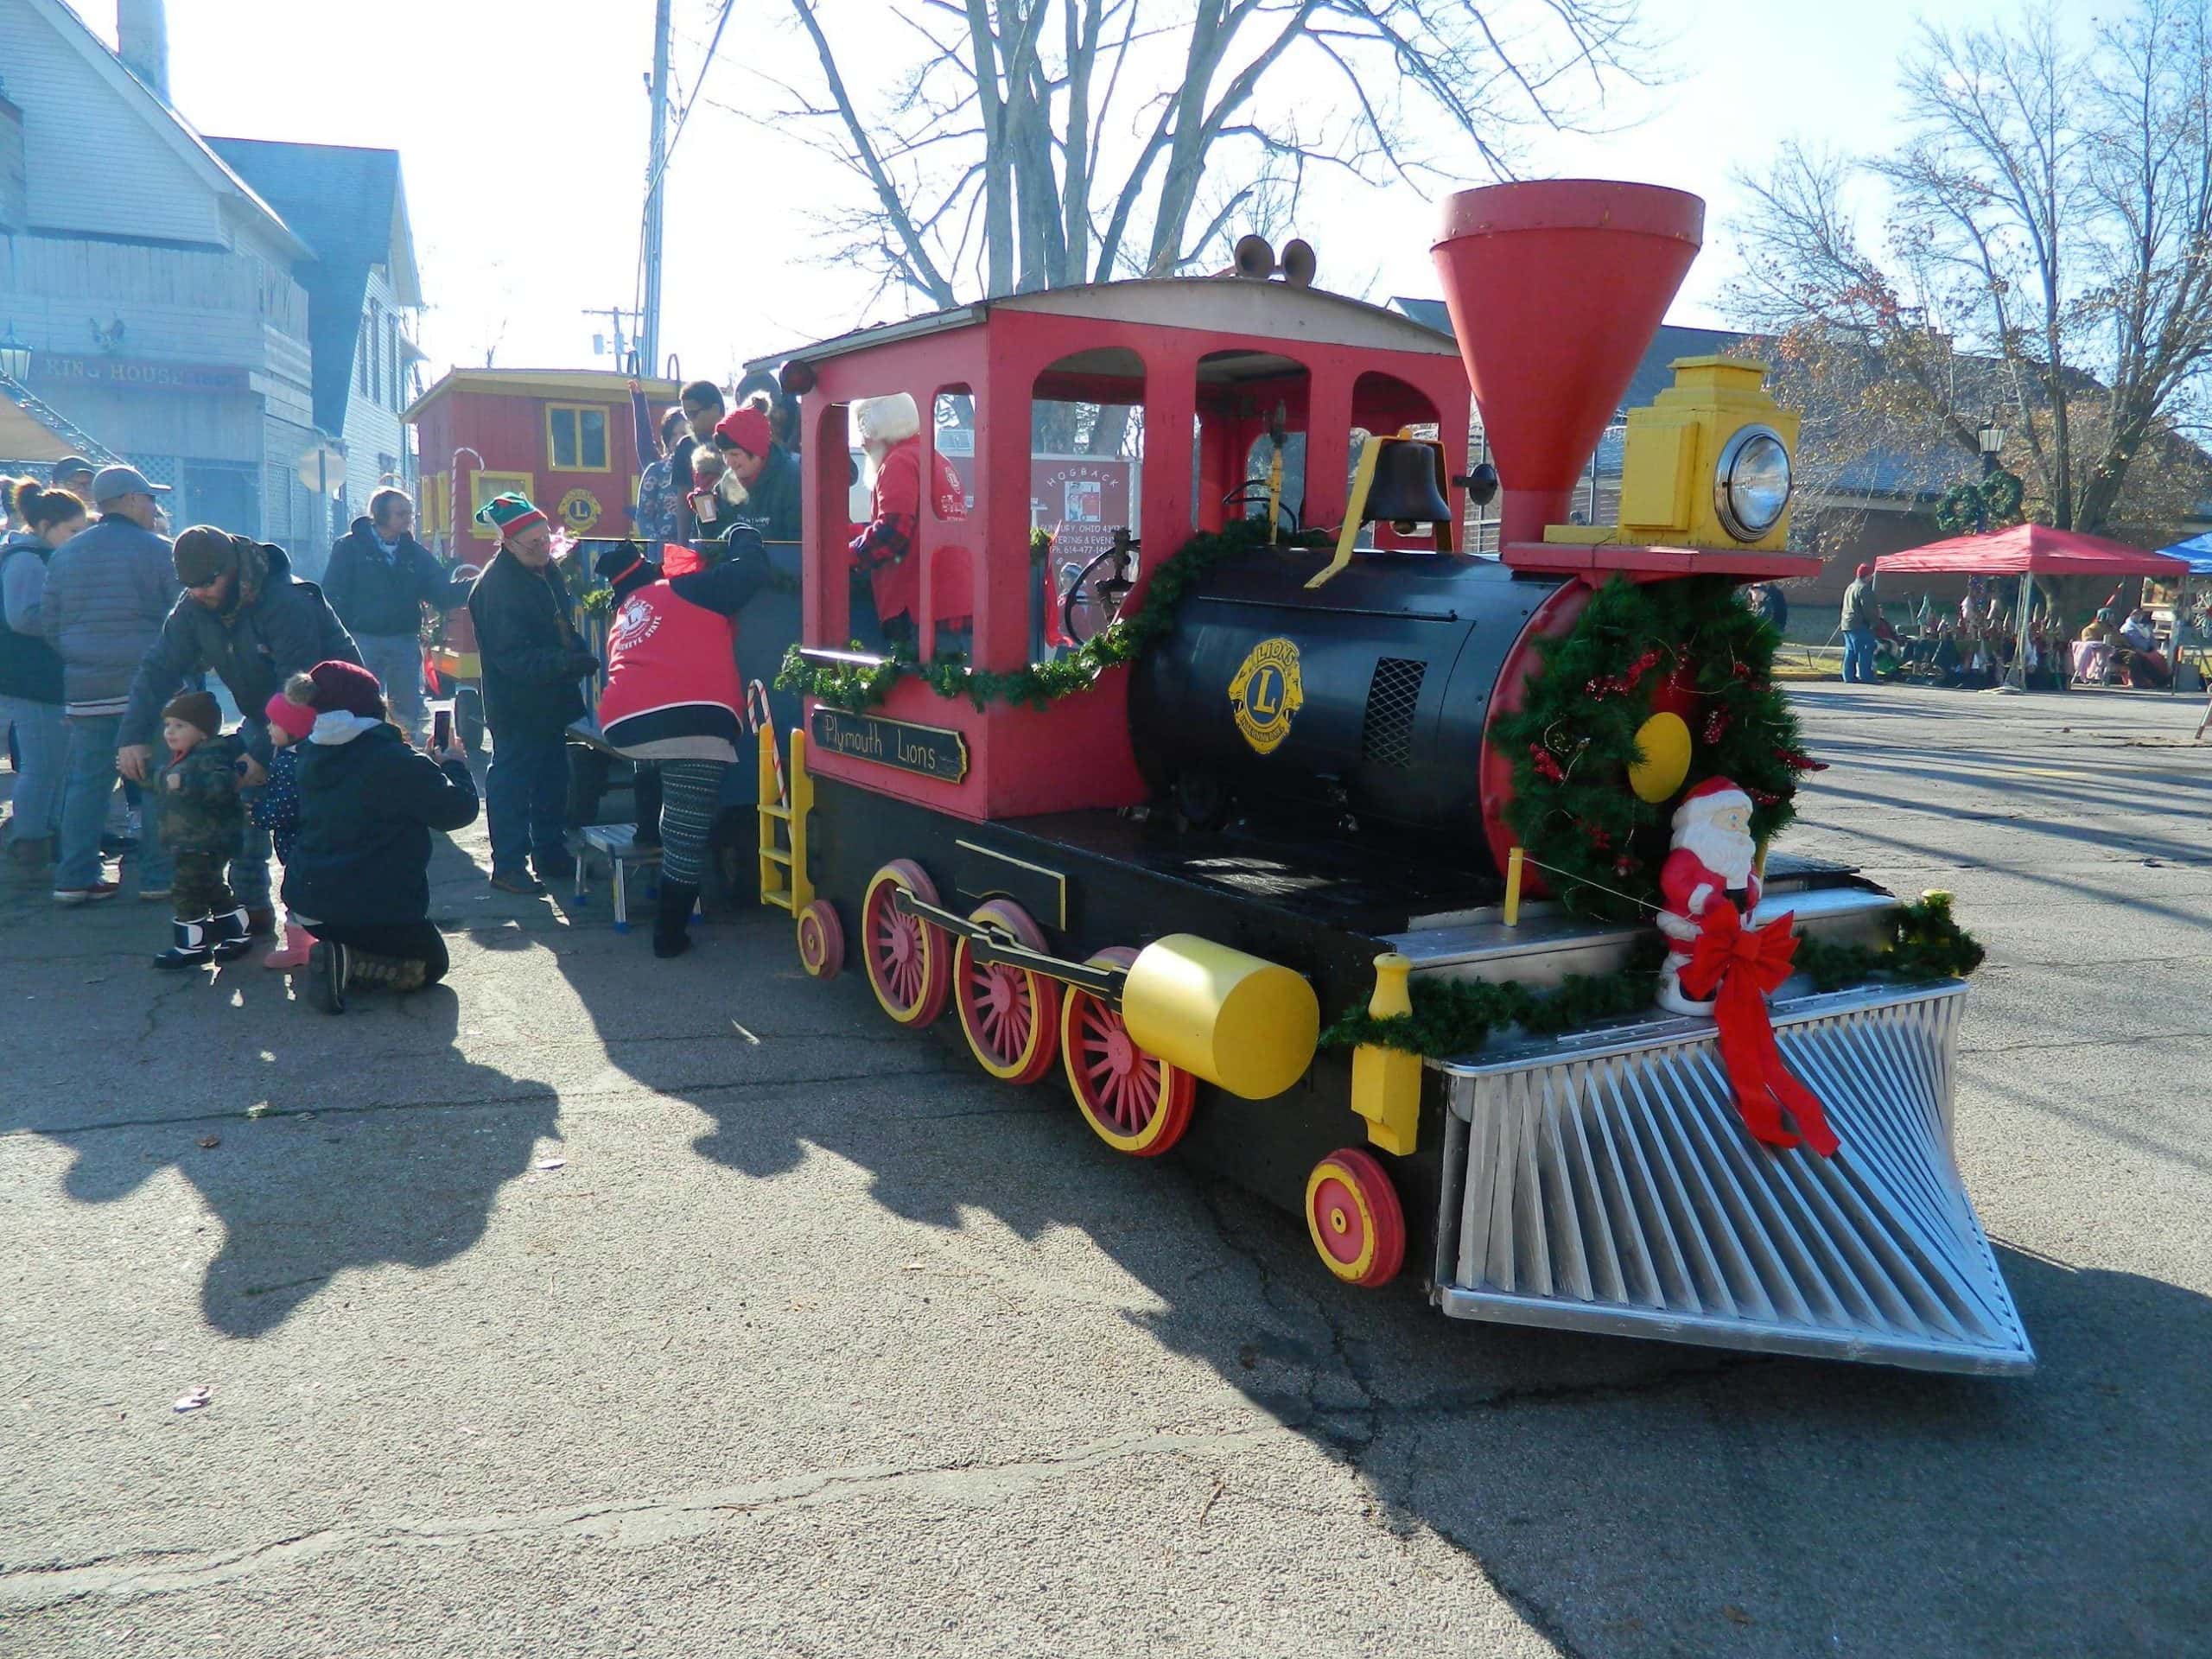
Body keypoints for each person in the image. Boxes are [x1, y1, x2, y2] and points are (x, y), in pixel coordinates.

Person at [115, 526, 359, 935]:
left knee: (316, 818)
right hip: (267, 715)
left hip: (335, 714)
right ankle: (251, 908)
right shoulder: (193, 607)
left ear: (232, 570)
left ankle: (329, 916)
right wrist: (132, 737)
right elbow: (158, 669)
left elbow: (297, 687)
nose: (199, 593)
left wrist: (262, 754)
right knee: (244, 800)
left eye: (208, 582)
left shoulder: (286, 602)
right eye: (190, 585)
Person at [592, 533, 768, 957]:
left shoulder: (626, 610)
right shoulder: (687, 588)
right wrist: (742, 535)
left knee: (652, 758)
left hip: (623, 724)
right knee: (686, 833)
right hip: (695, 718)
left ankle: (647, 828)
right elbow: (752, 571)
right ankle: (668, 937)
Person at [281, 660, 480, 1014]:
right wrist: (453, 765)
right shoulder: (393, 759)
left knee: (353, 927)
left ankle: (338, 954)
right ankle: (349, 963)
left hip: (310, 903)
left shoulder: (310, 752)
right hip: (375, 907)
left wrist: (424, 765)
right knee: (431, 963)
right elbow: (457, 811)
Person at [38, 464, 178, 906]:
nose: (153, 508)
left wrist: (81, 656)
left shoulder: (66, 554)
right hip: (150, 685)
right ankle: (158, 877)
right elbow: (180, 620)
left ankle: (74, 878)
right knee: (158, 780)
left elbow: (50, 623)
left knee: (87, 783)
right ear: (132, 500)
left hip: (86, 687)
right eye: (150, 499)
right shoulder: (160, 551)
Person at [467, 491, 595, 894]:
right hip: (516, 703)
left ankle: (549, 851)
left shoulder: (543, 569)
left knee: (552, 778)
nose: (543, 547)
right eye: (533, 542)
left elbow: (559, 622)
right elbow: (512, 656)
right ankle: (508, 864)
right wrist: (565, 663)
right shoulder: (498, 586)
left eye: (546, 538)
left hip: (548, 698)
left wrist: (575, 649)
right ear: (507, 543)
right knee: (512, 781)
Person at [321, 488, 470, 739]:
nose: (408, 519)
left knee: (406, 710)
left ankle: (405, 751)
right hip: (361, 639)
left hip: (403, 640)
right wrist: (338, 636)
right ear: (380, 515)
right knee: (358, 703)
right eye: (401, 514)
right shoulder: (349, 547)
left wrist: (481, 584)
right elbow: (332, 594)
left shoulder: (414, 553)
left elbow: (442, 593)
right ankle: (360, 749)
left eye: (410, 513)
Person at [0, 481, 86, 867]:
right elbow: (23, 617)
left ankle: (43, 835)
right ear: (47, 525)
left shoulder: (36, 556)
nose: (77, 538)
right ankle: (32, 839)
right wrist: (74, 622)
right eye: (73, 530)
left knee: (53, 764)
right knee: (42, 766)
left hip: (40, 678)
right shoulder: (27, 560)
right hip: (32, 680)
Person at [849, 392, 971, 651]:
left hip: (918, 607)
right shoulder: (938, 460)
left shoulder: (899, 462)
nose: (861, 442)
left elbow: (893, 532)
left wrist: (849, 554)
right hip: (953, 603)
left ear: (880, 426)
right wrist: (859, 532)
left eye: (863, 429)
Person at [149, 690, 254, 970]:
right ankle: (237, 933)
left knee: (185, 891)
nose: (170, 732)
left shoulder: (210, 757)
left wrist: (186, 783)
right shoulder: (184, 758)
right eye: (168, 725)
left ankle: (192, 946)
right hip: (190, 840)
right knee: (212, 888)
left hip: (205, 841)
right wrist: (150, 777)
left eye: (180, 725)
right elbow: (169, 786)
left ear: (203, 732)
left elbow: (222, 787)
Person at [251, 679, 317, 970]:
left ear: (294, 729)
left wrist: (258, 814)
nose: (269, 728)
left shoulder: (290, 763)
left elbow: (285, 808)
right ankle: (316, 942)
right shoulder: (305, 756)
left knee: (296, 895)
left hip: (297, 843)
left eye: (274, 723)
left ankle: (299, 949)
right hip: (309, 841)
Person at [712, 404, 802, 543]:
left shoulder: (792, 481)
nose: (728, 462)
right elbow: (714, 544)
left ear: (757, 451)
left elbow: (797, 544)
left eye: (735, 454)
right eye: (724, 454)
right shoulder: (728, 482)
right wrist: (706, 516)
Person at [627, 382, 690, 544]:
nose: (679, 439)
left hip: (695, 549)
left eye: (684, 433)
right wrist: (657, 545)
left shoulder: (702, 471)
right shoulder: (656, 472)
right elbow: (643, 515)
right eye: (673, 434)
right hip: (663, 550)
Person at [1839, 563, 1878, 685]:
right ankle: (1866, 676)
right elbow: (1868, 609)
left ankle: (1848, 676)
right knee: (1866, 650)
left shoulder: (1850, 587)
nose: (1872, 577)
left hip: (1847, 624)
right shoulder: (1864, 589)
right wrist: (1874, 622)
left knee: (1850, 651)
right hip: (1859, 624)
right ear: (1867, 575)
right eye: (1871, 575)